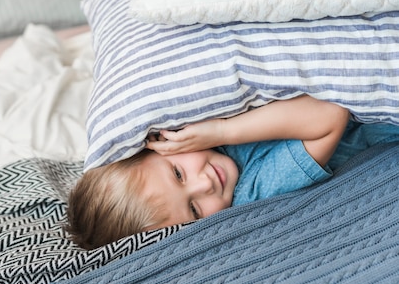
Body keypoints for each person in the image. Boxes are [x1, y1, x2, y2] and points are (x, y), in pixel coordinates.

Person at [66, 95, 398, 249]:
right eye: (194, 209)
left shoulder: (193, 121)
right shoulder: (252, 190)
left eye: (178, 174)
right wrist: (223, 132)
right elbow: (329, 116)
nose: (205, 183)